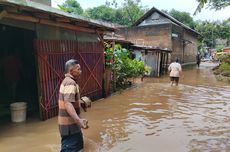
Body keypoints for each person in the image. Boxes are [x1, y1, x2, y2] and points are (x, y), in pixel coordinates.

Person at [58, 59, 88, 152]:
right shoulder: (70, 83)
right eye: (78, 69)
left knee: (79, 147)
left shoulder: (68, 81)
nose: (80, 71)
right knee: (70, 148)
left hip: (72, 126)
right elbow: (67, 103)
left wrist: (80, 102)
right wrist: (79, 120)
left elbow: (68, 100)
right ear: (71, 71)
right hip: (69, 127)